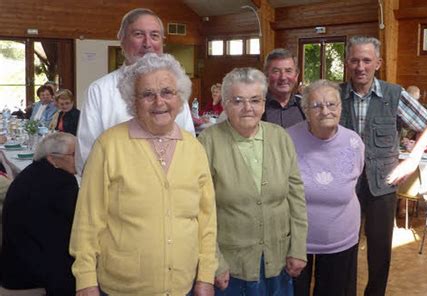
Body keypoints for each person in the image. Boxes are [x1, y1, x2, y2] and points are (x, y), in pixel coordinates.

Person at [69, 53, 217, 296]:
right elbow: (87, 219)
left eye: (167, 92)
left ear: (180, 99)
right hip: (123, 287)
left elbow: (207, 220)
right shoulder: (109, 145)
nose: (159, 102)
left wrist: (206, 275)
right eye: (148, 94)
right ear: (132, 101)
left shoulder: (194, 148)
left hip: (184, 286)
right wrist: (85, 280)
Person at [198, 67, 307, 295]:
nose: (248, 108)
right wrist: (214, 261)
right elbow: (199, 210)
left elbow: (296, 198)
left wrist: (297, 247)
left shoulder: (280, 137)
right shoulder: (208, 141)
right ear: (225, 104)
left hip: (278, 261)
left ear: (264, 104)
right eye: (238, 101)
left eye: (255, 100)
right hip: (231, 267)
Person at [340, 36, 427, 296]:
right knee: (344, 249)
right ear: (347, 62)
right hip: (343, 187)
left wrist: (412, 159)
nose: (361, 66)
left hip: (382, 185)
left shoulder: (394, 94)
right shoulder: (335, 95)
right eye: (355, 60)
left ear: (378, 63)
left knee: (380, 251)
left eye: (367, 60)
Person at [75, 7, 195, 174]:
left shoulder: (175, 87)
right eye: (138, 34)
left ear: (162, 42)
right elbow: (87, 156)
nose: (147, 43)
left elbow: (188, 142)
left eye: (154, 35)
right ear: (122, 41)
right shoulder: (100, 90)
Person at [288, 80, 364, 296]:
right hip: (295, 243)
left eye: (332, 104)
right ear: (305, 111)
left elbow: (354, 179)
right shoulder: (287, 139)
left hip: (341, 240)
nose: (325, 111)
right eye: (317, 106)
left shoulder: (353, 142)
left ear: (340, 108)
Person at [0, 132, 78, 295]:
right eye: (73, 154)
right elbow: (79, 223)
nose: (79, 158)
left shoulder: (30, 173)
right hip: (34, 274)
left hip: (13, 263)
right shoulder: (62, 182)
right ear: (52, 159)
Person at [262, 48, 305, 128]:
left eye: (288, 71)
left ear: (296, 76)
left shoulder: (305, 106)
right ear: (266, 75)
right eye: (276, 71)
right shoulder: (256, 106)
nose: (283, 77)